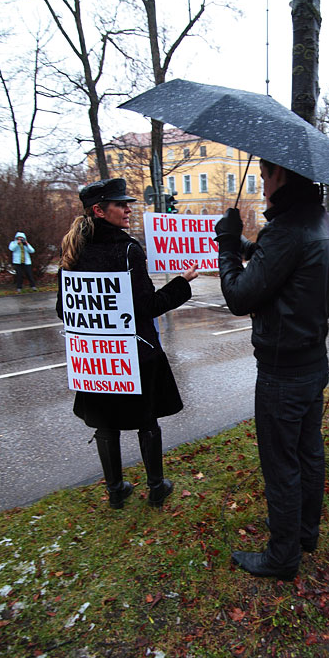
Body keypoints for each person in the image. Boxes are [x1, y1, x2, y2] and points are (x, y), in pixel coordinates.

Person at [215, 160, 329, 580]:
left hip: (281, 372)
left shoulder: (287, 229)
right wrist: (253, 246)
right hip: (312, 362)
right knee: (309, 452)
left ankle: (282, 555)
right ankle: (305, 532)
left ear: (282, 176)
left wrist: (228, 247)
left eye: (266, 175)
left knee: (281, 464)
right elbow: (287, 271)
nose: (263, 183)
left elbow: (239, 297)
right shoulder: (324, 222)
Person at [56, 177, 198, 509]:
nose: (128, 209)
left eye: (128, 204)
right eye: (121, 204)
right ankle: (156, 487)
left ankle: (116, 490)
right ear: (99, 210)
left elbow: (64, 309)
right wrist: (183, 283)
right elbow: (147, 307)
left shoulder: (73, 250)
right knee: (146, 420)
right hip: (135, 352)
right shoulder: (128, 249)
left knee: (106, 424)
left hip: (94, 357)